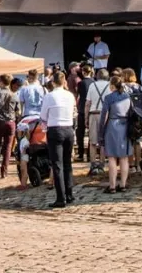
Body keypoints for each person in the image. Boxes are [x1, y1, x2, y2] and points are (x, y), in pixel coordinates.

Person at [40, 70, 76, 209]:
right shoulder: (70, 95)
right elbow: (74, 112)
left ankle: (61, 198)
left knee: (57, 164)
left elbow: (43, 115)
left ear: (53, 82)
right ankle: (69, 193)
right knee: (67, 163)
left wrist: (45, 127)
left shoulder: (49, 96)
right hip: (68, 128)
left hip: (55, 129)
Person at [98, 75, 134, 193]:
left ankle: (112, 186)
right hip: (126, 126)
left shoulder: (109, 98)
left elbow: (103, 116)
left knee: (112, 158)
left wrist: (100, 132)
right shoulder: (127, 96)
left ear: (112, 86)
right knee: (124, 158)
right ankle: (123, 184)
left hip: (113, 126)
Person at [0, 74, 18, 180]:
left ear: (1, 82)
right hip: (10, 122)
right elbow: (17, 111)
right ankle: (4, 172)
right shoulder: (14, 95)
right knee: (8, 147)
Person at [83, 68, 110, 174]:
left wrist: (85, 118)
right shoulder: (109, 86)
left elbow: (87, 103)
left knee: (93, 142)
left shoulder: (92, 85)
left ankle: (93, 165)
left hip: (93, 114)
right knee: (103, 141)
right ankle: (102, 164)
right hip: (105, 114)